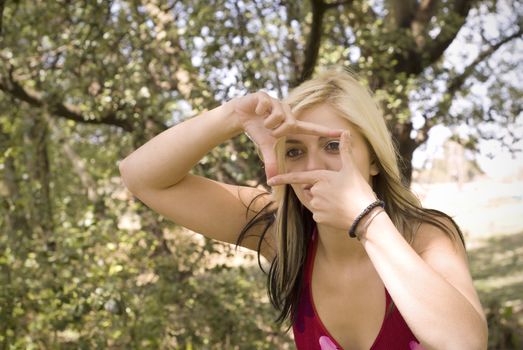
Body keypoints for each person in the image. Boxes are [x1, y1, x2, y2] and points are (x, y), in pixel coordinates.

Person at [119, 67, 488, 349]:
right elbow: (141, 177)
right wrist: (232, 116)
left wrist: (367, 219)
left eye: (331, 146)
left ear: (373, 159)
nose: (312, 167)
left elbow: (466, 342)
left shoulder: (425, 237)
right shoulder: (283, 236)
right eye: (294, 151)